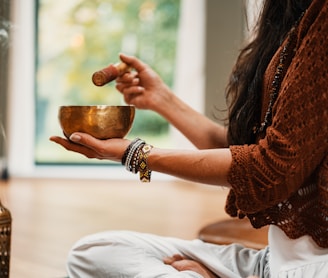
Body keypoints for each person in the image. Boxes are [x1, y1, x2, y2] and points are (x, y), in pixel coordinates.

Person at [50, 0, 328, 277]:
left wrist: (135, 154)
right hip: (270, 263)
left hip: (312, 268)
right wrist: (163, 100)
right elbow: (242, 152)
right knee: (94, 252)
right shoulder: (291, 16)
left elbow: (271, 168)